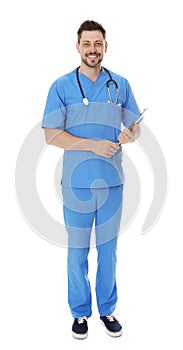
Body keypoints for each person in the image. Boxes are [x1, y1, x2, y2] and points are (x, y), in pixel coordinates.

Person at [41, 20, 141, 339]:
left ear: (106, 47)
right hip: (77, 184)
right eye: (87, 44)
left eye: (98, 43)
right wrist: (92, 145)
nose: (92, 49)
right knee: (77, 252)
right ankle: (80, 313)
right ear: (78, 47)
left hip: (112, 183)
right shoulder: (62, 86)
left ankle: (107, 309)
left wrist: (131, 133)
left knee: (108, 251)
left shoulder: (120, 84)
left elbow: (135, 124)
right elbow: (50, 135)